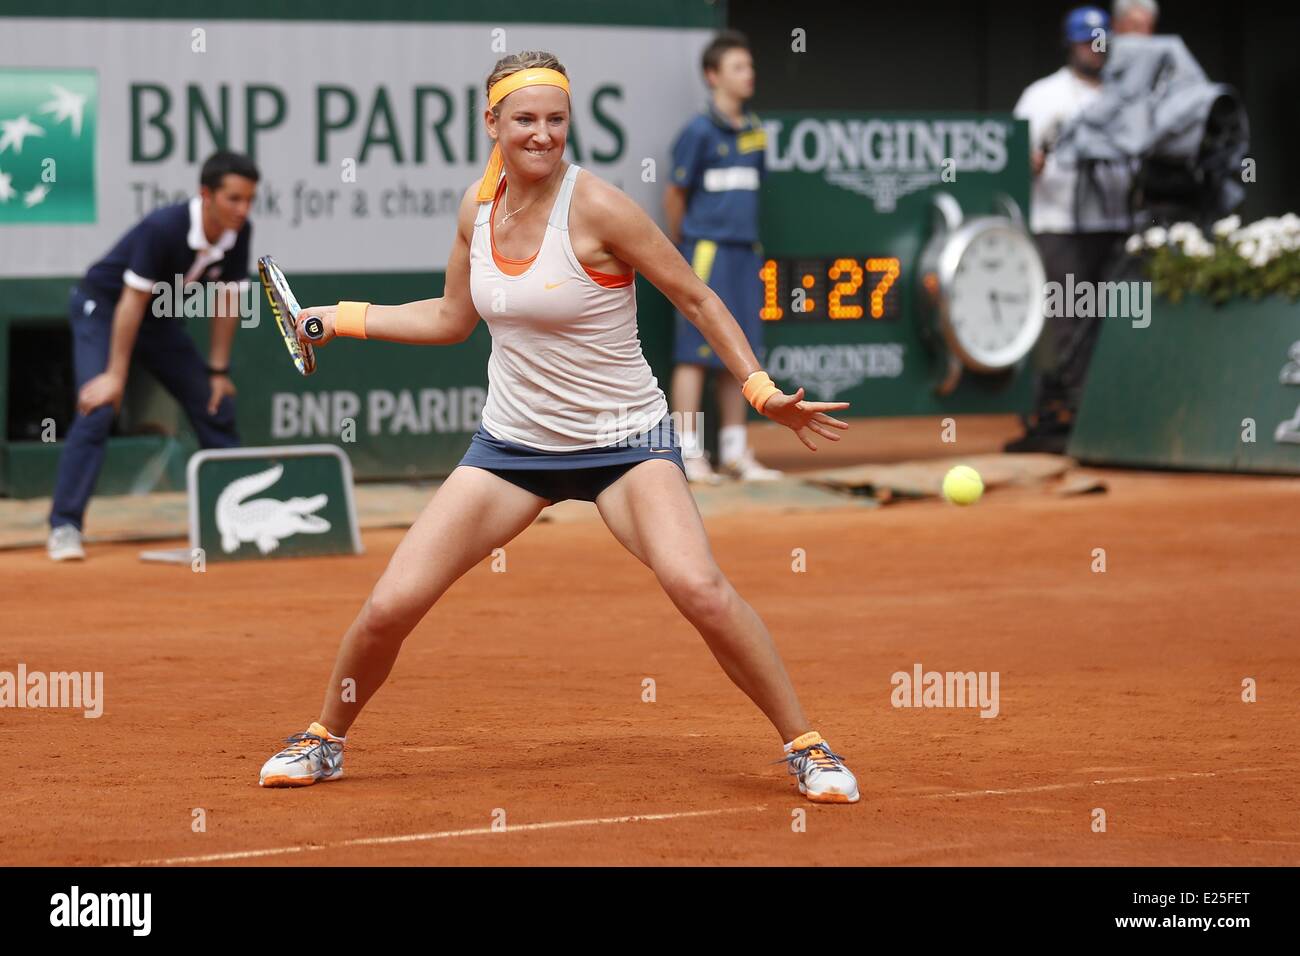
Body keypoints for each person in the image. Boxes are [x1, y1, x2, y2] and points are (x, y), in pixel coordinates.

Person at [258, 52, 861, 805]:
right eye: (525, 120)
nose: (542, 135)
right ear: (493, 124)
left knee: (697, 587)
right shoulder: (474, 212)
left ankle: (806, 745)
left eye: (555, 120)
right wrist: (339, 319)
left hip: (624, 442)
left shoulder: (601, 207)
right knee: (389, 605)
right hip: (514, 447)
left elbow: (698, 298)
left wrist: (760, 387)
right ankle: (325, 739)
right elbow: (451, 319)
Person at [46, 151, 257, 560]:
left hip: (157, 320)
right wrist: (115, 375)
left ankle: (240, 521)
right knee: (99, 407)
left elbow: (228, 300)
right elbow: (131, 301)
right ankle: (65, 526)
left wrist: (218, 370)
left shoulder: (239, 232)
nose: (242, 208)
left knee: (214, 403)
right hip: (105, 309)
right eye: (233, 198)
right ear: (206, 195)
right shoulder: (164, 227)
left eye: (249, 199)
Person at [1006, 6, 1129, 454]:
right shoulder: (1043, 95)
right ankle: (1069, 418)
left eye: (1101, 42)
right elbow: (1013, 160)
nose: (1095, 51)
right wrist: (1029, 163)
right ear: (1071, 44)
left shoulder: (1123, 94)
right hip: (1059, 226)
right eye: (1086, 42)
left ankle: (1103, 416)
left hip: (1115, 225)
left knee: (1114, 318)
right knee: (1069, 320)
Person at [665, 31, 782, 484]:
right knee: (694, 355)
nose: (748, 74)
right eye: (738, 67)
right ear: (713, 77)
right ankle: (688, 453)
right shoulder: (696, 132)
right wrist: (688, 246)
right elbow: (674, 196)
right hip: (705, 255)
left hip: (745, 255)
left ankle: (735, 453)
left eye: (749, 66)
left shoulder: (755, 131)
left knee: (741, 354)